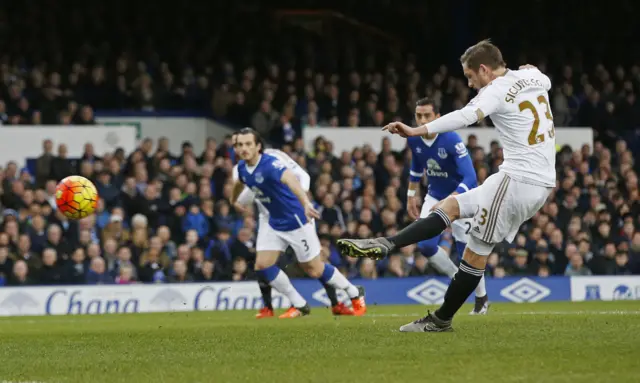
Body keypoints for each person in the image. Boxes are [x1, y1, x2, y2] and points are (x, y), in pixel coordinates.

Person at [337, 40, 555, 331]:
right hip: (524, 179)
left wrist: (416, 130)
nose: (469, 82)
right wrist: (532, 69)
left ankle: (441, 320)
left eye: (470, 76)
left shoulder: (496, 90)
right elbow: (546, 80)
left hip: (519, 181)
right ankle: (387, 243)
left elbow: (465, 116)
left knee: (475, 254)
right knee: (449, 207)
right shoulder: (533, 78)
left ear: (484, 69)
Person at [232, 128, 367, 318]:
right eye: (239, 145)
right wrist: (233, 200)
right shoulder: (242, 168)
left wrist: (305, 203)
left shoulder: (271, 164)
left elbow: (292, 179)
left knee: (314, 269)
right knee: (262, 265)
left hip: (296, 220)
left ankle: (354, 292)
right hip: (274, 222)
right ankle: (299, 303)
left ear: (258, 147)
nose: (243, 148)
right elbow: (239, 184)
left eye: (248, 144)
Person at [406, 97, 489, 315]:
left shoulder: (451, 139)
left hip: (463, 198)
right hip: (434, 196)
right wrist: (410, 196)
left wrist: (452, 200)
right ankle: (457, 278)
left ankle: (481, 298)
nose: (422, 120)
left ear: (437, 118)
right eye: (418, 116)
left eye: (427, 116)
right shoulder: (414, 140)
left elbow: (470, 176)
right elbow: (416, 169)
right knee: (424, 245)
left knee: (468, 251)